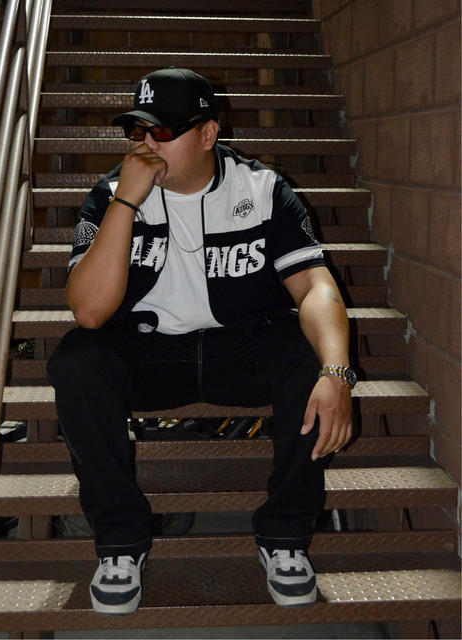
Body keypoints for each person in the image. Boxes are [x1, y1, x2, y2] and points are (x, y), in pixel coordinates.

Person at [46, 67, 355, 615]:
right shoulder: (112, 194)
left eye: (162, 131)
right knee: (76, 359)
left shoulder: (262, 190)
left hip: (242, 349)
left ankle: (285, 536)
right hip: (152, 353)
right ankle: (120, 543)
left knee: (308, 354)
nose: (146, 144)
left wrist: (337, 372)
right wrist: (127, 203)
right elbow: (89, 312)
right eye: (136, 131)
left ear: (209, 133)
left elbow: (315, 287)